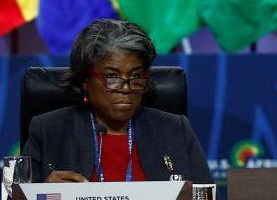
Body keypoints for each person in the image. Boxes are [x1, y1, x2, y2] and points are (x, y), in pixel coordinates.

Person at [23, 19, 213, 184]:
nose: (126, 87)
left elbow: (207, 195)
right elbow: (16, 195)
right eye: (112, 77)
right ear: (85, 81)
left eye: (136, 76)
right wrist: (42, 191)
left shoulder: (175, 129)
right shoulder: (48, 131)